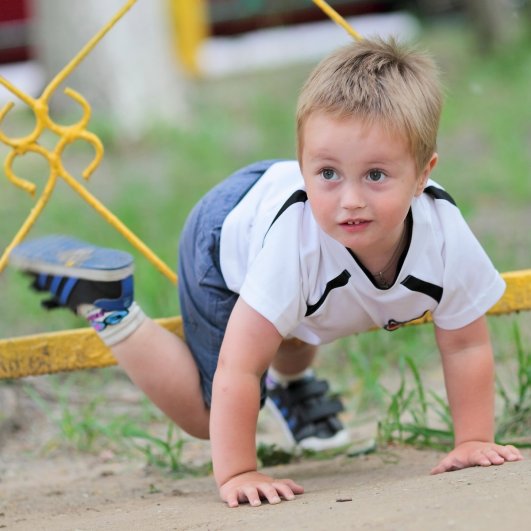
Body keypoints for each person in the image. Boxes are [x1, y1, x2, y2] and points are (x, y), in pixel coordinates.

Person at [9, 37, 523, 508]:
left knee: (299, 318)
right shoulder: (295, 246)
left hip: (275, 218)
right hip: (226, 232)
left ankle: (292, 388)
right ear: (304, 167)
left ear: (423, 175)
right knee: (207, 409)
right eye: (328, 173)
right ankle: (108, 303)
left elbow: (466, 344)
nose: (350, 200)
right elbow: (238, 364)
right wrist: (238, 472)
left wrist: (472, 440)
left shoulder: (443, 236)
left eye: (376, 175)